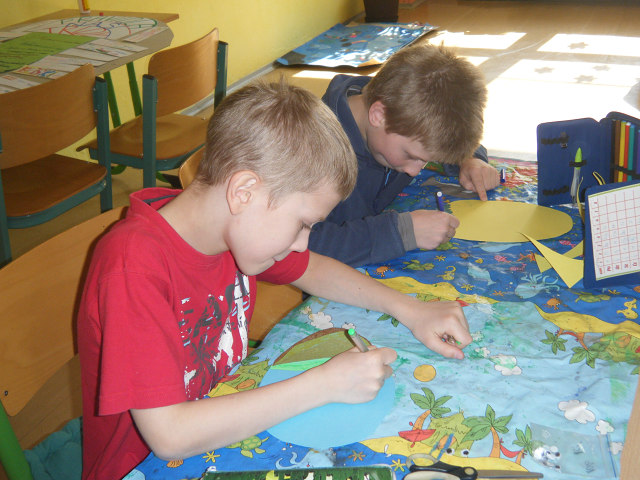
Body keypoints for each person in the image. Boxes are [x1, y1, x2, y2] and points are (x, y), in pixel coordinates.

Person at [77, 81, 471, 480]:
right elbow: (169, 435)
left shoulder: (225, 227)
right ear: (244, 191)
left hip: (224, 422)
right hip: (147, 465)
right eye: (303, 224)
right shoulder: (133, 268)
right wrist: (323, 384)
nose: (303, 242)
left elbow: (313, 268)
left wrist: (411, 309)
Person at [309, 42, 500, 267]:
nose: (414, 170)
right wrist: (401, 232)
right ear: (378, 115)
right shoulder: (313, 155)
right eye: (411, 156)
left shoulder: (400, 111)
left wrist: (470, 158)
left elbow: (442, 133)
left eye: (427, 159)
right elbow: (301, 244)